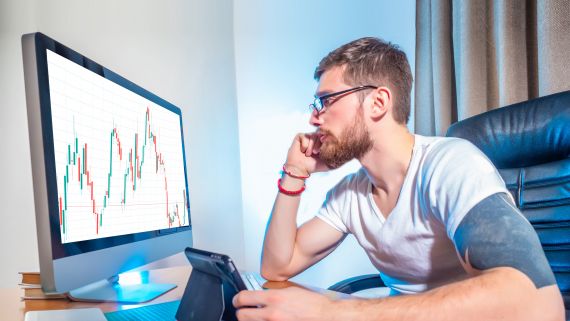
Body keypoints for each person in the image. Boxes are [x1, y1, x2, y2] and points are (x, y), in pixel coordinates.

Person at [232, 37, 565, 321]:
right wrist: (294, 173)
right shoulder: (351, 194)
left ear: (378, 102)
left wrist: (332, 312)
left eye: (327, 100)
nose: (314, 117)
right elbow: (277, 267)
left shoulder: (450, 164)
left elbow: (539, 303)